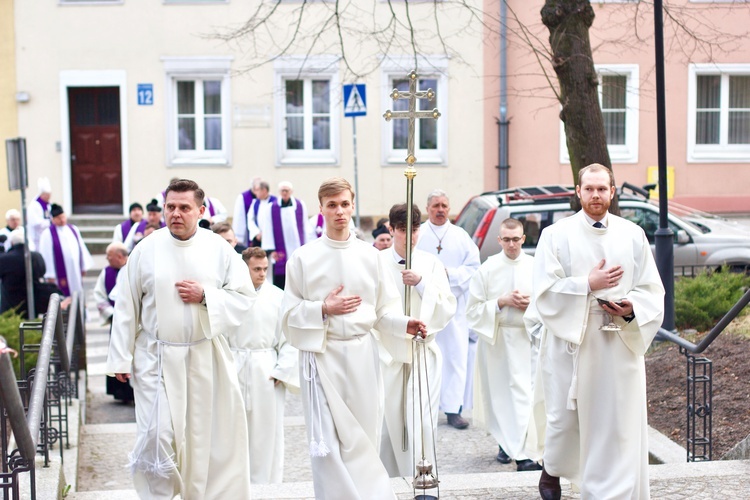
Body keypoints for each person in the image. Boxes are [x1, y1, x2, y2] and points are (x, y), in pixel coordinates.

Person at [106, 179, 255, 499]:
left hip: (204, 355)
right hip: (155, 356)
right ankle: (160, 493)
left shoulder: (220, 249)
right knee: (157, 433)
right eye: (170, 206)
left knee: (202, 436)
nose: (175, 213)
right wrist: (121, 357)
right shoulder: (146, 249)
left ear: (200, 211)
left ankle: (197, 493)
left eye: (184, 207)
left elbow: (244, 297)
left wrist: (206, 296)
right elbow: (126, 305)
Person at [282, 177, 427, 499]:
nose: (339, 211)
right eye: (331, 205)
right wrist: (322, 308)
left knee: (363, 434)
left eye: (345, 204)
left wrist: (405, 323)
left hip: (362, 354)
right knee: (328, 443)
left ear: (352, 205)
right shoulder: (303, 258)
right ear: (321, 209)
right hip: (322, 357)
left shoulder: (371, 256)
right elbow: (288, 315)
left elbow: (383, 310)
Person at [533, 164, 665, 500]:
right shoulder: (555, 234)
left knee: (617, 422)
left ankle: (610, 493)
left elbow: (651, 288)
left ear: (612, 192)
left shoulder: (632, 233)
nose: (595, 195)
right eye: (589, 189)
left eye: (602, 189)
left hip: (618, 340)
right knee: (565, 420)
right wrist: (586, 285)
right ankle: (553, 470)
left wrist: (631, 309)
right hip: (572, 342)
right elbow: (544, 292)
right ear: (578, 191)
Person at [375, 203, 456, 477]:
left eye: (415, 229)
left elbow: (448, 305)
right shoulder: (377, 263)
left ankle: (424, 477)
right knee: (390, 423)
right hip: (390, 353)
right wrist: (400, 326)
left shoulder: (431, 263)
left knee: (421, 419)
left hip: (423, 352)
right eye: (401, 230)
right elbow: (373, 310)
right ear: (391, 229)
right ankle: (390, 481)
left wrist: (422, 284)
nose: (409, 237)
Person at [466, 218, 544, 472]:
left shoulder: (535, 266)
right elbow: (473, 310)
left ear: (524, 239)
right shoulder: (487, 269)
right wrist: (501, 301)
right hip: (498, 339)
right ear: (499, 240)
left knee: (525, 396)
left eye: (516, 239)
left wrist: (529, 305)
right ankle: (513, 449)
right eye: (506, 239)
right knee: (503, 397)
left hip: (528, 338)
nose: (511, 244)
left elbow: (549, 302)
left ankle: (521, 450)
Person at [230, 247, 298, 484]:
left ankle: (267, 485)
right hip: (234, 364)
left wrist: (282, 369)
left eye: (265, 269)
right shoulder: (231, 294)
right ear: (244, 268)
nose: (261, 274)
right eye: (256, 269)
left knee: (267, 432)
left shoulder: (277, 296)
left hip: (266, 368)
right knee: (233, 431)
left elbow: (289, 337)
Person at [416, 189, 480, 429]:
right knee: (426, 357)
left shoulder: (460, 236)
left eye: (444, 205)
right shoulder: (419, 234)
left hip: (454, 307)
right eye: (435, 206)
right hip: (424, 305)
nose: (440, 210)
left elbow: (474, 267)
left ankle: (454, 409)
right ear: (427, 208)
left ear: (449, 207)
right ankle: (426, 408)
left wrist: (449, 275)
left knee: (455, 356)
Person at [94, 242, 134, 402]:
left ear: (119, 256)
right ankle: (120, 391)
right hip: (114, 318)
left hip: (133, 320)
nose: (106, 258)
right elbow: (99, 295)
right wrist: (111, 314)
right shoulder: (106, 272)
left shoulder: (133, 267)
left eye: (109, 255)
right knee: (117, 350)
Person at [259, 181, 308, 289]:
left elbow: (305, 226)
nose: (285, 193)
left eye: (287, 190)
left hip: (297, 246)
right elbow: (267, 229)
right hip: (280, 251)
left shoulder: (300, 206)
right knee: (281, 280)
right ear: (279, 192)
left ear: (291, 191)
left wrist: (307, 246)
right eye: (282, 190)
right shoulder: (271, 208)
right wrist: (271, 250)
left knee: (298, 275)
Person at [38, 204, 93, 298]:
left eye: (63, 217)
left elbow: (81, 248)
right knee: (62, 295)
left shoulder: (73, 229)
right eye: (59, 218)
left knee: (77, 292)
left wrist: (83, 266)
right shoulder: (47, 234)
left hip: (75, 270)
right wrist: (49, 274)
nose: (62, 220)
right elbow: (46, 255)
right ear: (53, 219)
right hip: (58, 273)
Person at [0, 228, 46, 316]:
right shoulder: (36, 257)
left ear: (12, 243)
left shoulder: (4, 259)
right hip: (32, 303)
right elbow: (42, 272)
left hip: (10, 305)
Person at [245, 180, 276, 248]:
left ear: (264, 190)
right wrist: (257, 233)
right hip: (258, 237)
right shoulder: (255, 202)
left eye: (257, 190)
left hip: (272, 237)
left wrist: (265, 233)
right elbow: (250, 219)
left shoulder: (275, 202)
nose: (255, 193)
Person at [231, 178, 258, 247]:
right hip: (246, 232)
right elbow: (239, 217)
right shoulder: (243, 197)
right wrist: (239, 236)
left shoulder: (263, 197)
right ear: (254, 188)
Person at [27, 177, 52, 250]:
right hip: (37, 237)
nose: (49, 197)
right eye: (47, 195)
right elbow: (36, 223)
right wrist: (50, 222)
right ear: (43, 194)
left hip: (46, 235)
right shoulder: (34, 206)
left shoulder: (48, 204)